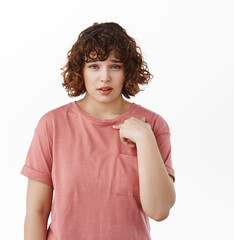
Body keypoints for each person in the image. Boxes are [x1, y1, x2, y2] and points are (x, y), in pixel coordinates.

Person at [20, 22, 176, 240]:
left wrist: (144, 138)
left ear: (127, 71)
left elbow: (159, 211)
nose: (105, 77)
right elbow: (37, 211)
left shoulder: (153, 124)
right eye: (94, 66)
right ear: (80, 71)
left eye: (115, 66)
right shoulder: (52, 124)